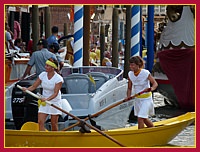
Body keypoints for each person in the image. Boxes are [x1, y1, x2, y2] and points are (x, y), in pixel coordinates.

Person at [22, 58, 64, 131]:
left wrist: (47, 99)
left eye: (47, 66)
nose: (45, 67)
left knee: (53, 123)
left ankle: (54, 138)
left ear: (52, 68)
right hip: (44, 101)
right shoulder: (42, 75)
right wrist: (27, 89)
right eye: (46, 65)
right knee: (40, 122)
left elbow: (56, 93)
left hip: (54, 101)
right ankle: (43, 136)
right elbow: (34, 86)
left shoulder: (58, 79)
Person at [126, 56, 158, 129]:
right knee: (144, 119)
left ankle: (140, 135)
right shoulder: (130, 74)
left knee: (140, 118)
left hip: (146, 99)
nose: (131, 67)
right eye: (130, 65)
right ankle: (152, 129)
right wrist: (128, 96)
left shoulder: (145, 73)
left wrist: (151, 88)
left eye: (133, 65)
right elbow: (129, 88)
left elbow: (155, 84)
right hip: (138, 99)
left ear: (138, 65)